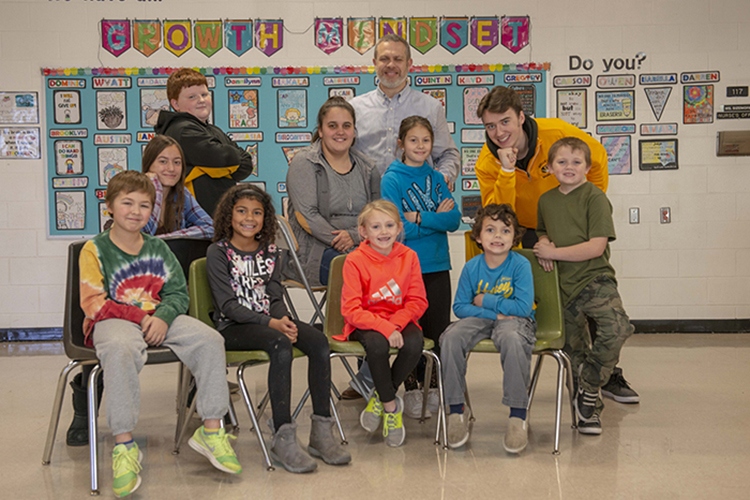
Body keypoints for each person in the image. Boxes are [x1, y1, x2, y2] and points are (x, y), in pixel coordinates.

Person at [79, 171, 241, 497]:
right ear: (109, 206)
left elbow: (178, 293)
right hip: (113, 319)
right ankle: (124, 446)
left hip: (159, 317)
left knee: (210, 340)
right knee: (121, 350)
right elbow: (95, 302)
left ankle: (211, 429)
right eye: (127, 203)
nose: (135, 211)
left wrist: (164, 317)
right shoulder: (93, 249)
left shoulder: (158, 248)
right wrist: (141, 318)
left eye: (144, 205)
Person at [475, 86, 638, 404]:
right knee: (559, 308)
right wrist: (507, 171)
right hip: (527, 232)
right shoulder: (487, 161)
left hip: (572, 226)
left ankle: (608, 376)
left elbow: (598, 158)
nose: (499, 132)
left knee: (595, 300)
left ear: (521, 117)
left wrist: (584, 204)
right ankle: (576, 379)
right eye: (490, 126)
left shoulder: (556, 132)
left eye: (505, 122)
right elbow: (498, 212)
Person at [206, 185, 350, 473]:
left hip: (268, 321)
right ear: (229, 215)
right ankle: (282, 435)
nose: (250, 218)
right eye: (242, 211)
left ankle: (321, 432)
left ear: (265, 218)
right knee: (280, 344)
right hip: (232, 326)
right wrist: (273, 325)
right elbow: (228, 305)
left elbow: (274, 296)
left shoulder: (271, 251)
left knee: (319, 342)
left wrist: (283, 319)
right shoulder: (217, 252)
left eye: (257, 212)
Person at [533, 137, 635, 435]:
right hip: (561, 286)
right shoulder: (546, 201)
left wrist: (553, 253)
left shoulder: (595, 197)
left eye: (576, 162)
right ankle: (588, 410)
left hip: (595, 279)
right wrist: (542, 241)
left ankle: (590, 385)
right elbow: (541, 230)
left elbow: (595, 246)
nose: (569, 167)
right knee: (573, 350)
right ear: (549, 167)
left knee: (618, 328)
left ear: (588, 168)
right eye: (561, 162)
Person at [380, 116, 461, 419]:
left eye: (425, 141)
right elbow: (395, 229)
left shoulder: (437, 179)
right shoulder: (392, 178)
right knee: (411, 329)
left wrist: (418, 218)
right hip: (406, 267)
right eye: (413, 140)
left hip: (438, 264)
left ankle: (435, 386)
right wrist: (429, 221)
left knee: (437, 330)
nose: (420, 146)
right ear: (401, 143)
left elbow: (453, 221)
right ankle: (413, 388)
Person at [440, 204, 535, 452]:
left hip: (515, 320)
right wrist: (493, 312)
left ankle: (517, 415)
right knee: (451, 337)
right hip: (486, 317)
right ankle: (457, 410)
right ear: (479, 237)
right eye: (490, 230)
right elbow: (460, 307)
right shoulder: (472, 267)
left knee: (512, 339)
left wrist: (486, 299)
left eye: (505, 231)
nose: (497, 236)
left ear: (514, 238)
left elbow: (523, 308)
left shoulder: (520, 265)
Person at [338, 200, 428, 447]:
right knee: (377, 346)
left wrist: (396, 324)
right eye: (376, 227)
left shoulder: (409, 257)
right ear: (363, 231)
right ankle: (391, 408)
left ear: (399, 228)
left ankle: (379, 395)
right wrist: (385, 328)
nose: (384, 232)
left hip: (400, 317)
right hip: (366, 321)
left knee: (414, 344)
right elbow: (351, 309)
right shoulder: (355, 260)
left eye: (389, 225)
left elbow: (418, 301)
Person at [286, 96, 381, 286]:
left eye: (346, 126)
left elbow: (377, 216)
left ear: (354, 131)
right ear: (320, 130)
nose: (340, 132)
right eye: (332, 126)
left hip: (360, 245)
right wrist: (343, 241)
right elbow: (307, 217)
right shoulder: (304, 162)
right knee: (357, 268)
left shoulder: (368, 167)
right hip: (314, 252)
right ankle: (356, 317)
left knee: (401, 262)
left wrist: (354, 236)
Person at [350, 34, 460, 183]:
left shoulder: (431, 107)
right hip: (370, 201)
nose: (390, 65)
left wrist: (442, 178)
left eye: (398, 59)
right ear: (375, 63)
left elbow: (447, 154)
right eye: (384, 59)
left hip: (417, 200)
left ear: (409, 64)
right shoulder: (355, 108)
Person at [155, 68, 254, 217]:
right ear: (175, 104)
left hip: (218, 217)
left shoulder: (212, 129)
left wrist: (216, 166)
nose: (201, 100)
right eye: (192, 97)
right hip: (198, 223)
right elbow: (228, 161)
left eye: (204, 94)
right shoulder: (183, 131)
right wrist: (228, 159)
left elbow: (246, 165)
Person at [141, 134, 214, 239]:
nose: (171, 168)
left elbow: (211, 228)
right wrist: (156, 188)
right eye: (163, 161)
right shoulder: (135, 193)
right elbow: (144, 235)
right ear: (149, 164)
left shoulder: (181, 193)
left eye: (177, 162)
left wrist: (171, 238)